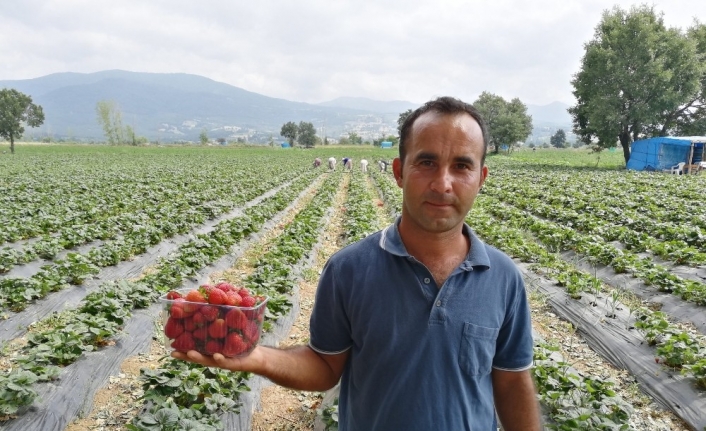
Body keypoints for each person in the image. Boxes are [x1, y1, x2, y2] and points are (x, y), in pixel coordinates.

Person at [172, 96, 542, 431]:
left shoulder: (503, 277)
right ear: (398, 172)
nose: (442, 183)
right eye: (426, 162)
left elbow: (511, 382)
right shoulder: (349, 269)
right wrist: (258, 356)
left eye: (461, 166)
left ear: (480, 178)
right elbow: (325, 365)